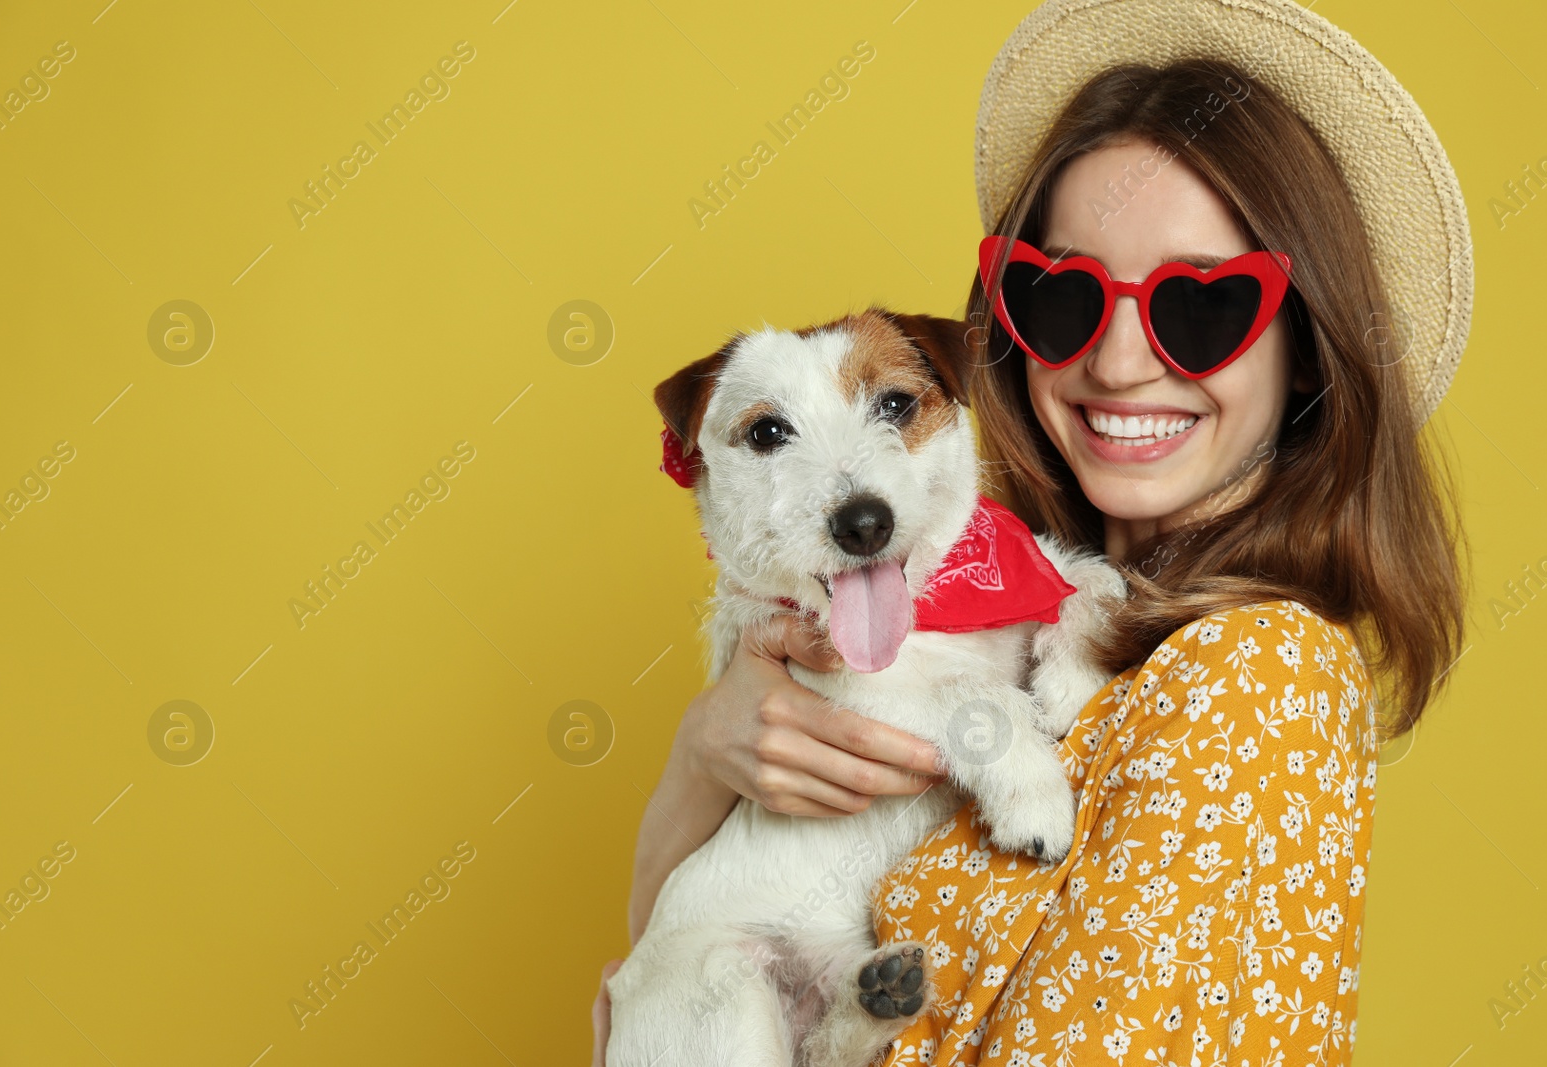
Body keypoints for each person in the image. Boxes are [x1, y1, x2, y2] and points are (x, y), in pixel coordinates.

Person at [595, 0, 1471, 1062]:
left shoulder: (1260, 673)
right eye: (1062, 295)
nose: (1114, 359)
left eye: (1200, 305)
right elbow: (664, 986)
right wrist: (700, 759)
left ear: (1306, 344)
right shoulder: (1059, 631)